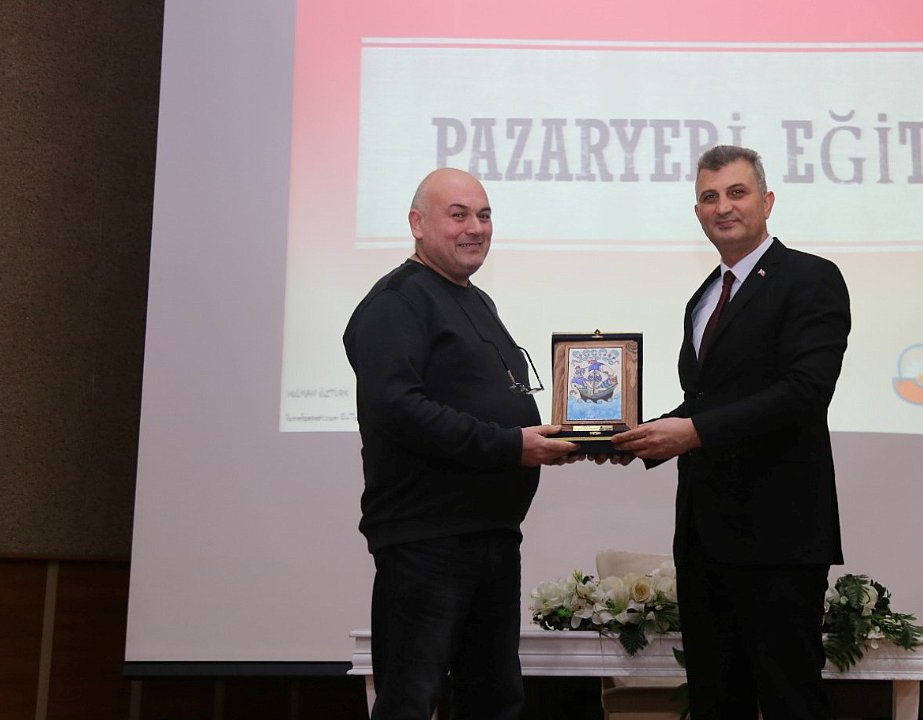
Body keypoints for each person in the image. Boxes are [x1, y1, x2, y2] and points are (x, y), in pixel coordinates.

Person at [611, 145, 851, 720]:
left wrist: (692, 433)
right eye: (709, 197)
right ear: (697, 211)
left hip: (779, 537)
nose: (723, 207)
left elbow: (804, 392)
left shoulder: (810, 278)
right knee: (716, 701)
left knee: (791, 699)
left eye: (737, 193)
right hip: (705, 538)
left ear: (767, 201)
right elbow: (706, 402)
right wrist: (629, 436)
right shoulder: (703, 297)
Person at [343, 168, 577, 720]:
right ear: (417, 224)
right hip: (428, 541)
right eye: (458, 215)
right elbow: (398, 408)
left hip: (490, 536)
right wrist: (508, 446)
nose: (475, 227)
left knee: (494, 699)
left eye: (484, 215)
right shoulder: (396, 303)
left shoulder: (476, 300)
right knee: (410, 700)